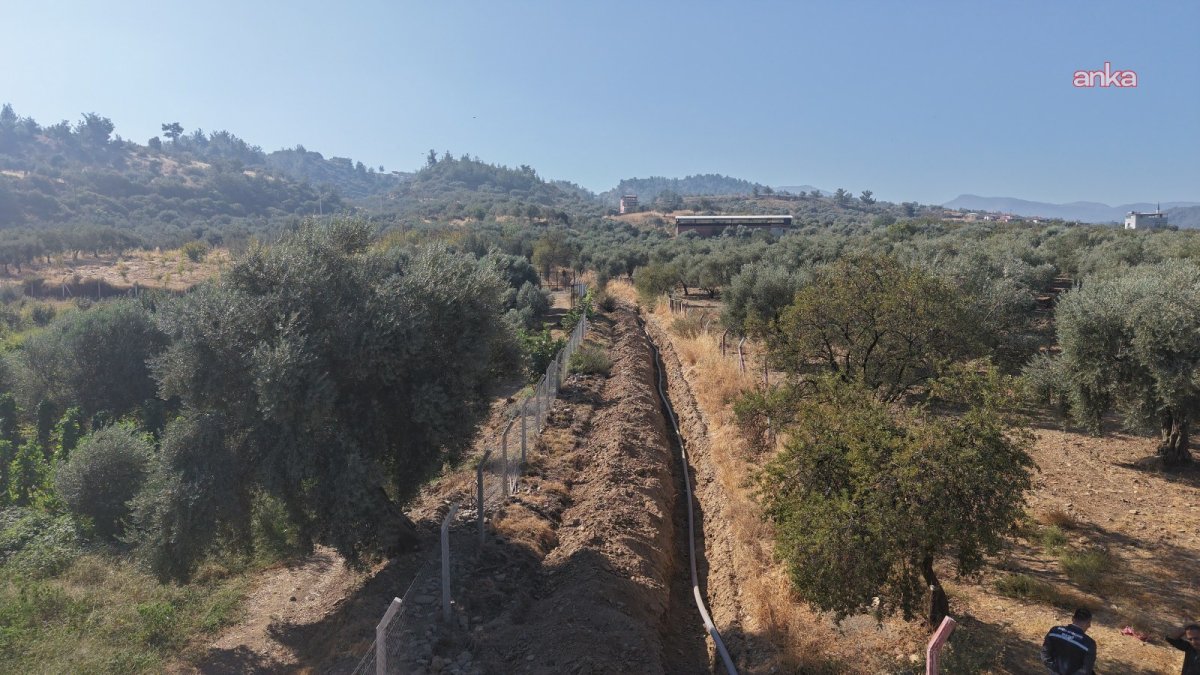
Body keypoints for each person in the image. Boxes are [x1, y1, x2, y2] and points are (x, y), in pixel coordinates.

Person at [1042, 608, 1097, 674]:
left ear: (1072, 619)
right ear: (1088, 623)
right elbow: (1086, 670)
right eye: (1089, 623)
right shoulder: (1089, 643)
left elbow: (1045, 653)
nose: (1089, 626)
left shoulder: (1055, 631)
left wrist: (1054, 669)